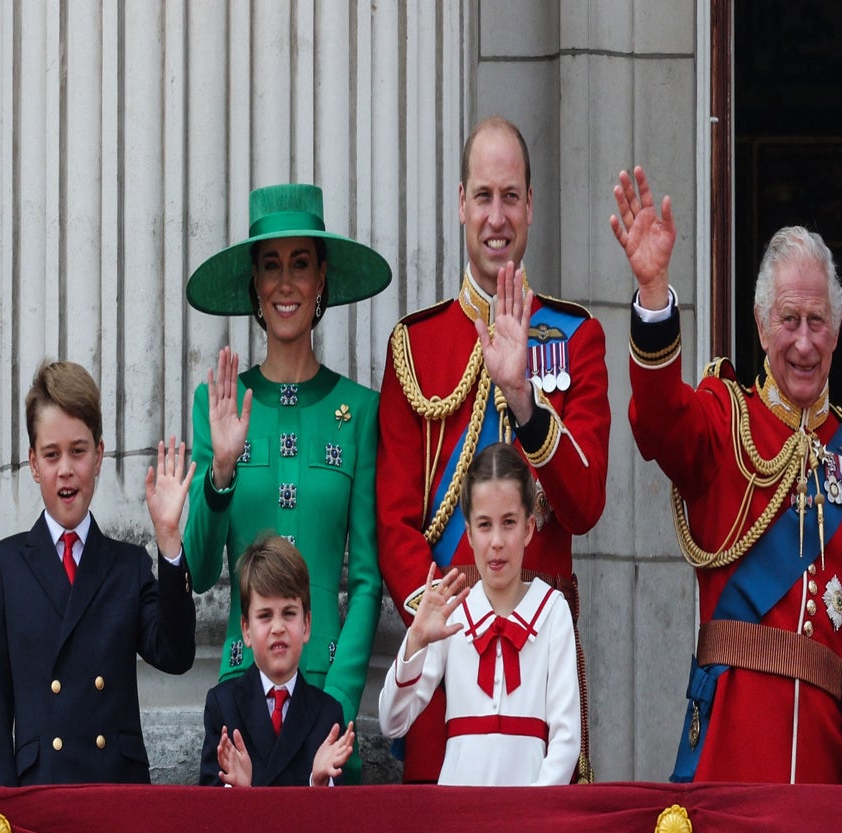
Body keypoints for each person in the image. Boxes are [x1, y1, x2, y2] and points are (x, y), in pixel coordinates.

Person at [611, 166, 842, 784]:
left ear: (838, 329)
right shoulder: (725, 419)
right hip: (729, 757)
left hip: (826, 773)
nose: (803, 342)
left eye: (817, 321)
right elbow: (659, 422)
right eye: (789, 320)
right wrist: (655, 294)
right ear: (761, 323)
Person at [376, 116, 609, 783]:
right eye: (484, 196)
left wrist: (529, 407)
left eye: (511, 196)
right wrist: (441, 622)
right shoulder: (415, 347)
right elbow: (394, 520)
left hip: (541, 652)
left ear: (531, 207)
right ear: (460, 204)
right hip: (448, 655)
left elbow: (586, 504)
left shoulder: (576, 336)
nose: (497, 216)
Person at [184, 183, 391, 781]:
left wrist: (341, 704)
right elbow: (197, 572)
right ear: (253, 283)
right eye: (271, 266)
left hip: (329, 706)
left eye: (301, 264)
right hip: (242, 699)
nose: (285, 283)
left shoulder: (361, 411)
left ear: (322, 278)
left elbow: (367, 577)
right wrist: (221, 470)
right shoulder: (217, 404)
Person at [0, 360, 196, 785]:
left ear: (99, 455)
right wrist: (2, 814)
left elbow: (176, 654)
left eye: (78, 451)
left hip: (116, 793)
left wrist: (168, 539)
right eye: (51, 454)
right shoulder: (5, 565)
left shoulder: (128, 565)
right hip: (41, 794)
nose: (66, 469)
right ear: (33, 464)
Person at [378, 443, 580, 786]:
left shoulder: (552, 611)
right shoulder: (453, 611)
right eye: (485, 525)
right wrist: (416, 640)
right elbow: (392, 721)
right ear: (469, 534)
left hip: (528, 818)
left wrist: (533, 811)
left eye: (509, 523)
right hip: (458, 818)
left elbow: (566, 739)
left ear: (529, 528)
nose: (497, 541)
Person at [199, 534, 355, 787]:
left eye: (289, 613)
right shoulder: (223, 706)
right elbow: (203, 809)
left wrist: (318, 783)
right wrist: (237, 791)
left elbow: (339, 820)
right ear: (246, 630)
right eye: (265, 615)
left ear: (306, 625)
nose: (278, 627)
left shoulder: (327, 714)